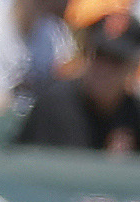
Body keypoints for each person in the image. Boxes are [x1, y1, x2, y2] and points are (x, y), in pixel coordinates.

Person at [14, 13, 140, 151]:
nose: (103, 68)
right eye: (98, 55)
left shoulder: (134, 113)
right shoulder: (55, 105)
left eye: (115, 61)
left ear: (132, 66)